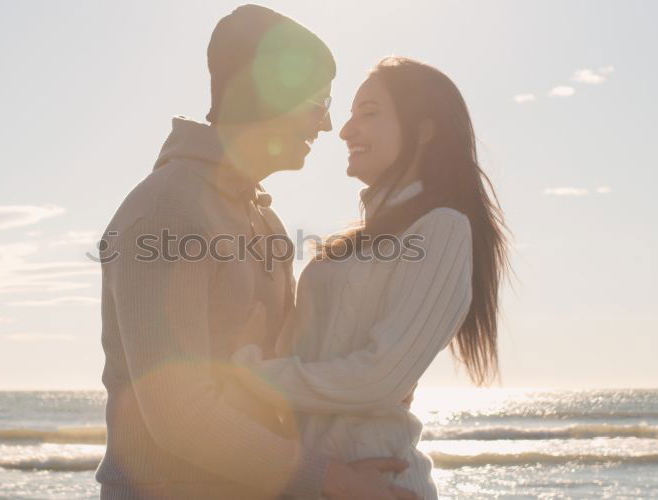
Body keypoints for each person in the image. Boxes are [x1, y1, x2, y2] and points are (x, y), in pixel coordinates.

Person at [94, 5, 418, 499]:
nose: (328, 124)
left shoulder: (262, 219)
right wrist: (332, 481)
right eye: (318, 101)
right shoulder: (166, 212)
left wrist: (368, 397)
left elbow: (277, 377)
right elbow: (178, 414)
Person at [230, 56, 512, 499]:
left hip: (383, 482)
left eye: (370, 113)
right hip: (321, 482)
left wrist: (250, 374)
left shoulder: (442, 228)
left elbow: (380, 378)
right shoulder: (352, 245)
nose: (345, 130)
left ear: (424, 130)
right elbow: (317, 353)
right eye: (351, 113)